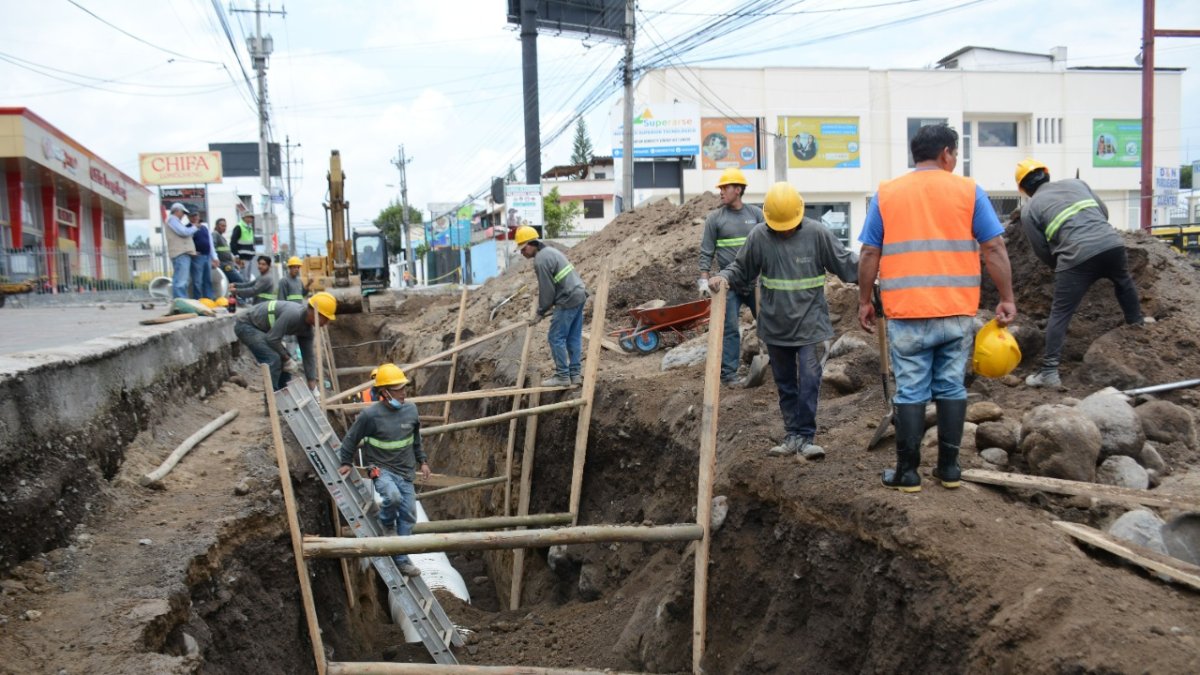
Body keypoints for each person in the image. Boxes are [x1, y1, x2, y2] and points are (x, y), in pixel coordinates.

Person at [857, 123, 1017, 493]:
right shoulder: (968, 191)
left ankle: (908, 473)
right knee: (950, 386)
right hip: (956, 310)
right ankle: (949, 468)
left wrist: (865, 301)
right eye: (955, 154)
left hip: (907, 311)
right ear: (946, 153)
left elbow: (869, 252)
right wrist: (1007, 297)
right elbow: (994, 248)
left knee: (910, 389)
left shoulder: (888, 193)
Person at [708, 182, 858, 460]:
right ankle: (792, 435)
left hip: (811, 324)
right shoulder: (759, 237)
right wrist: (724, 277)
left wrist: (874, 274)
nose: (784, 230)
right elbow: (741, 268)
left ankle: (807, 436)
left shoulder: (817, 234)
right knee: (785, 382)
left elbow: (847, 263)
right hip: (776, 326)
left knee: (811, 379)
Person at [1014, 158, 1147, 388]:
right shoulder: (1078, 185)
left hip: (1075, 256)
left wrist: (1060, 267)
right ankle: (1137, 325)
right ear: (1047, 173)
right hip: (1112, 244)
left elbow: (1041, 249)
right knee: (1123, 282)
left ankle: (1049, 372)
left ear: (1024, 189)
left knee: (1061, 312)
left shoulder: (1030, 210)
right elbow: (1102, 212)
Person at [336, 364, 430, 577]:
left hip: (406, 471)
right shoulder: (370, 416)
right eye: (398, 389)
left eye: (404, 388)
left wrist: (422, 461)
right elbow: (351, 438)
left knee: (408, 516)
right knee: (392, 497)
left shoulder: (411, 410)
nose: (404, 392)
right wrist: (346, 461)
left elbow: (416, 440)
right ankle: (386, 523)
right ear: (385, 392)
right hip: (381, 468)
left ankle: (402, 560)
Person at [698, 167, 764, 385]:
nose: (721, 192)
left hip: (755, 282)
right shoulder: (715, 219)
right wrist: (704, 280)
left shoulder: (755, 215)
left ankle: (772, 364)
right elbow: (707, 251)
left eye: (724, 187)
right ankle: (729, 375)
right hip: (729, 285)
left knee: (767, 323)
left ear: (738, 189)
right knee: (730, 331)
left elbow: (767, 244)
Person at [516, 225, 587, 387]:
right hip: (579, 294)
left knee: (555, 337)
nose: (522, 252)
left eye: (523, 248)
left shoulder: (540, 260)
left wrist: (540, 312)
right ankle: (575, 375)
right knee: (573, 337)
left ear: (531, 243)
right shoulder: (552, 252)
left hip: (567, 299)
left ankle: (562, 375)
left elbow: (547, 291)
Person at [233, 291, 337, 391]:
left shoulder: (307, 330)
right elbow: (272, 339)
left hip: (263, 330)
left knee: (285, 362)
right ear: (314, 312)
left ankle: (284, 398)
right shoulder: (294, 315)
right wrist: (287, 358)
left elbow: (308, 357)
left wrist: (314, 389)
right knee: (273, 358)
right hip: (247, 325)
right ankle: (272, 402)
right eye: (325, 318)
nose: (326, 323)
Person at [164, 203, 198, 299]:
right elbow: (184, 232)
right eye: (183, 212)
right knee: (181, 280)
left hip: (180, 254)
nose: (183, 215)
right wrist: (195, 227)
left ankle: (179, 301)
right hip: (180, 254)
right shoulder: (173, 220)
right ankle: (181, 301)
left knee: (179, 279)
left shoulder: (174, 221)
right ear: (177, 211)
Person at [189, 212, 218, 300]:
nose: (195, 217)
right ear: (189, 217)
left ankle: (208, 299)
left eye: (196, 215)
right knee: (197, 281)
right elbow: (187, 242)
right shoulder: (188, 228)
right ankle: (198, 299)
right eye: (192, 216)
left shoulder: (204, 228)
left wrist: (215, 257)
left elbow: (210, 243)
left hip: (207, 256)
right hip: (197, 257)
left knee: (207, 279)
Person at [212, 218, 244, 285]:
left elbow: (227, 253)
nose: (224, 228)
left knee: (231, 284)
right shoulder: (215, 234)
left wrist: (234, 264)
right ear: (217, 226)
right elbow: (212, 247)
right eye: (222, 226)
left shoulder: (221, 237)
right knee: (240, 281)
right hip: (224, 266)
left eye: (225, 226)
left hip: (229, 264)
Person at [230, 213, 257, 277]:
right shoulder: (239, 227)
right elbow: (233, 242)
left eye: (252, 217)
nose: (251, 219)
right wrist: (236, 255)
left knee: (247, 277)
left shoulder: (249, 228)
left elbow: (250, 242)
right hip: (242, 258)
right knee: (243, 277)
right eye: (249, 217)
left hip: (249, 257)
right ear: (244, 217)